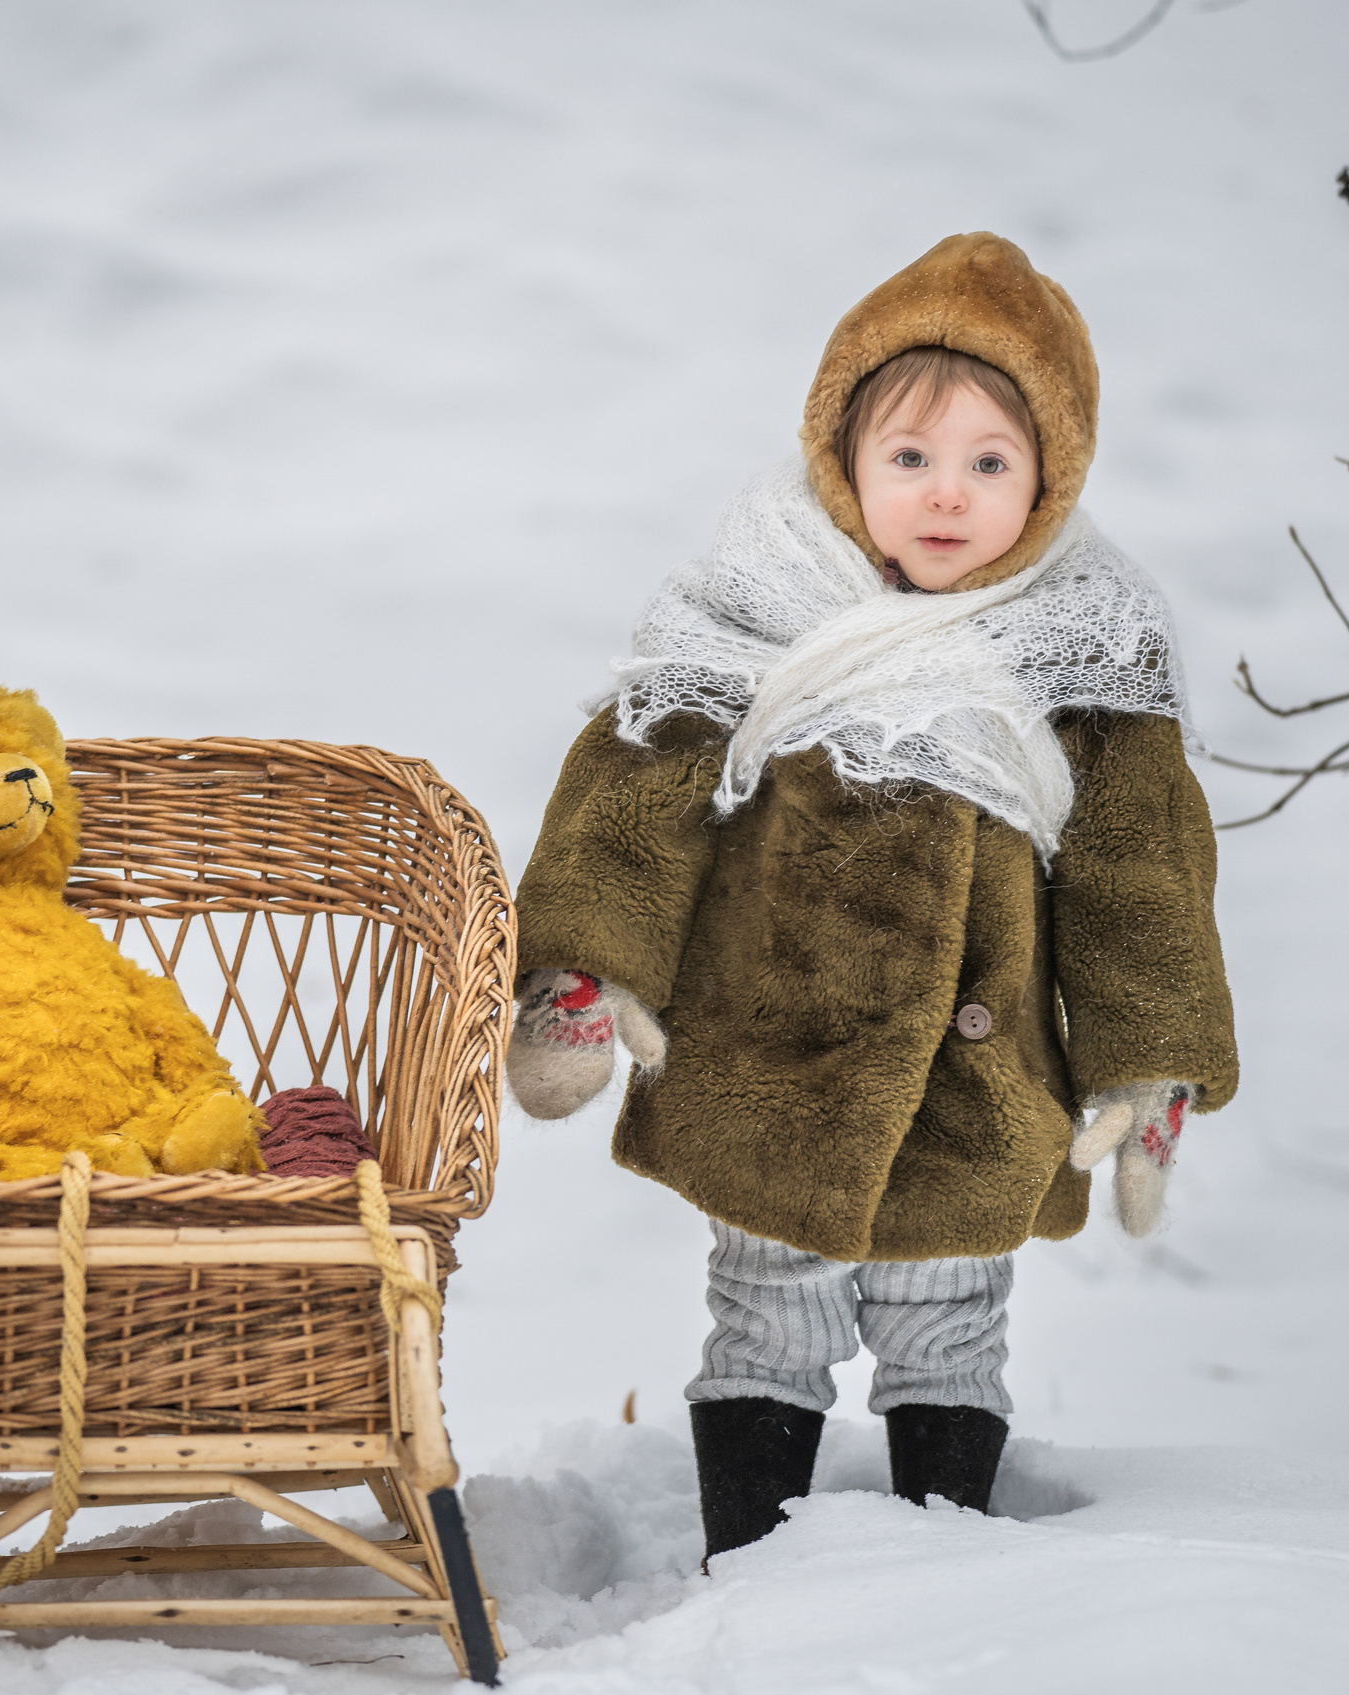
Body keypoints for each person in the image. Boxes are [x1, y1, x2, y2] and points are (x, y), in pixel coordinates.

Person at [508, 233, 1238, 1561]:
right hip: (773, 1047)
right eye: (910, 458)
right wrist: (586, 963)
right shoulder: (757, 601)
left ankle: (941, 1567)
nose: (946, 497)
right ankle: (749, 1562)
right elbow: (642, 782)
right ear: (843, 457)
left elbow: (1141, 863)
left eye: (989, 464)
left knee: (952, 1314)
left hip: (981, 1072)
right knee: (768, 1306)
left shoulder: (1090, 641)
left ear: (1050, 477)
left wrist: (1148, 1061)